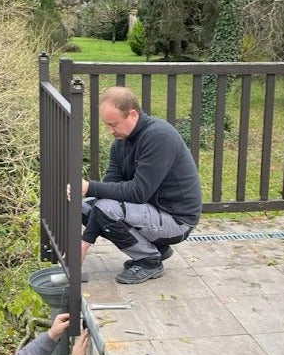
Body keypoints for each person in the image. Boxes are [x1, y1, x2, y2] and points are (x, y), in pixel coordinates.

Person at [78, 86, 202, 284]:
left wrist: (89, 188)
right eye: (106, 125)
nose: (110, 131)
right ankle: (155, 249)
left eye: (113, 124)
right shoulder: (121, 141)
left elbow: (138, 192)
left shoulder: (159, 137)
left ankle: (149, 260)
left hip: (177, 220)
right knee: (86, 207)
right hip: (151, 211)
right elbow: (109, 189)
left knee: (105, 209)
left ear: (132, 114)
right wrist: (86, 241)